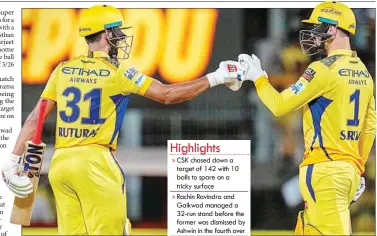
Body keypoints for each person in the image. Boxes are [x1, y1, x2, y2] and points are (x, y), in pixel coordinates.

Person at [1, 5, 244, 235]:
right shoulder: (120, 73)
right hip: (96, 164)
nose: (120, 38)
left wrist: (12, 159)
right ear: (106, 34)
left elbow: (36, 117)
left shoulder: (62, 69)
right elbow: (167, 95)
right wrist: (217, 77)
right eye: (117, 31)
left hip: (60, 165)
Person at [233, 1, 376, 235]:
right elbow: (370, 128)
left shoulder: (322, 70)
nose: (312, 34)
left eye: (317, 26)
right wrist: (357, 169)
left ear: (331, 29)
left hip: (324, 171)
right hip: (348, 172)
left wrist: (258, 78)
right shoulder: (364, 73)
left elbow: (280, 106)